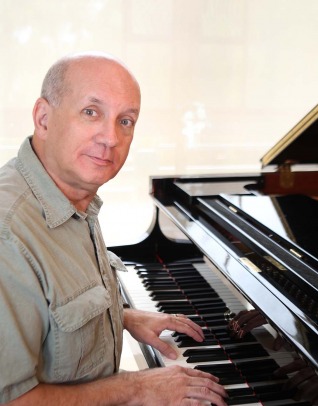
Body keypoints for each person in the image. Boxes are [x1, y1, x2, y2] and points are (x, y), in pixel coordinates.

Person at [0, 52, 228, 406]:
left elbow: (48, 304)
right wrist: (139, 388)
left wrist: (119, 317)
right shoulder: (8, 235)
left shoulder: (69, 193)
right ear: (43, 118)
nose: (110, 137)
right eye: (91, 112)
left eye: (126, 120)